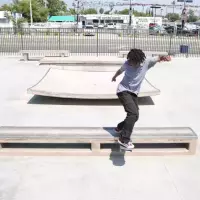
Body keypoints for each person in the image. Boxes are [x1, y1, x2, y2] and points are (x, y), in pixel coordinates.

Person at [112, 49, 171, 151]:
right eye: (129, 61)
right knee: (133, 113)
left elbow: (158, 57)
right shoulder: (127, 63)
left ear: (139, 61)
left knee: (135, 116)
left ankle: (120, 127)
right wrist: (114, 76)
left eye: (132, 62)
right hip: (123, 90)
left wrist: (164, 58)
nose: (130, 63)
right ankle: (124, 139)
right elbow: (120, 70)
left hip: (133, 93)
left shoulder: (146, 63)